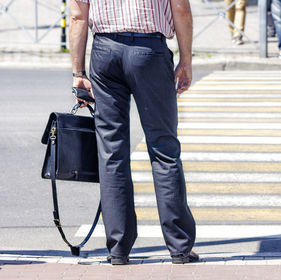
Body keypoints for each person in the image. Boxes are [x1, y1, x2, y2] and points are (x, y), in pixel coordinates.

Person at [69, 0, 198, 265]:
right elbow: (181, 10)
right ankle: (179, 247)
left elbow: (78, 16)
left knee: (111, 152)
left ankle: (118, 248)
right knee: (164, 148)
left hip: (105, 53)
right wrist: (186, 59)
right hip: (149, 51)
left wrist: (78, 72)